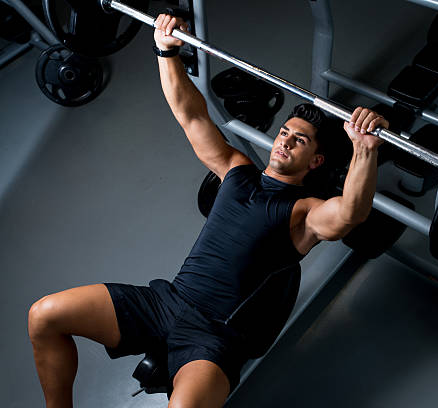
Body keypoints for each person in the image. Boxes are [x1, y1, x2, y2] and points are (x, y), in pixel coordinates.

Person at [27, 14, 389, 408]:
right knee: (45, 315)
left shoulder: (304, 212)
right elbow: (191, 114)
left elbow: (350, 213)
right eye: (284, 132)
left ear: (315, 161)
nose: (284, 141)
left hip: (212, 337)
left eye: (299, 141)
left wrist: (363, 149)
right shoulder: (236, 170)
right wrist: (166, 50)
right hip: (164, 303)